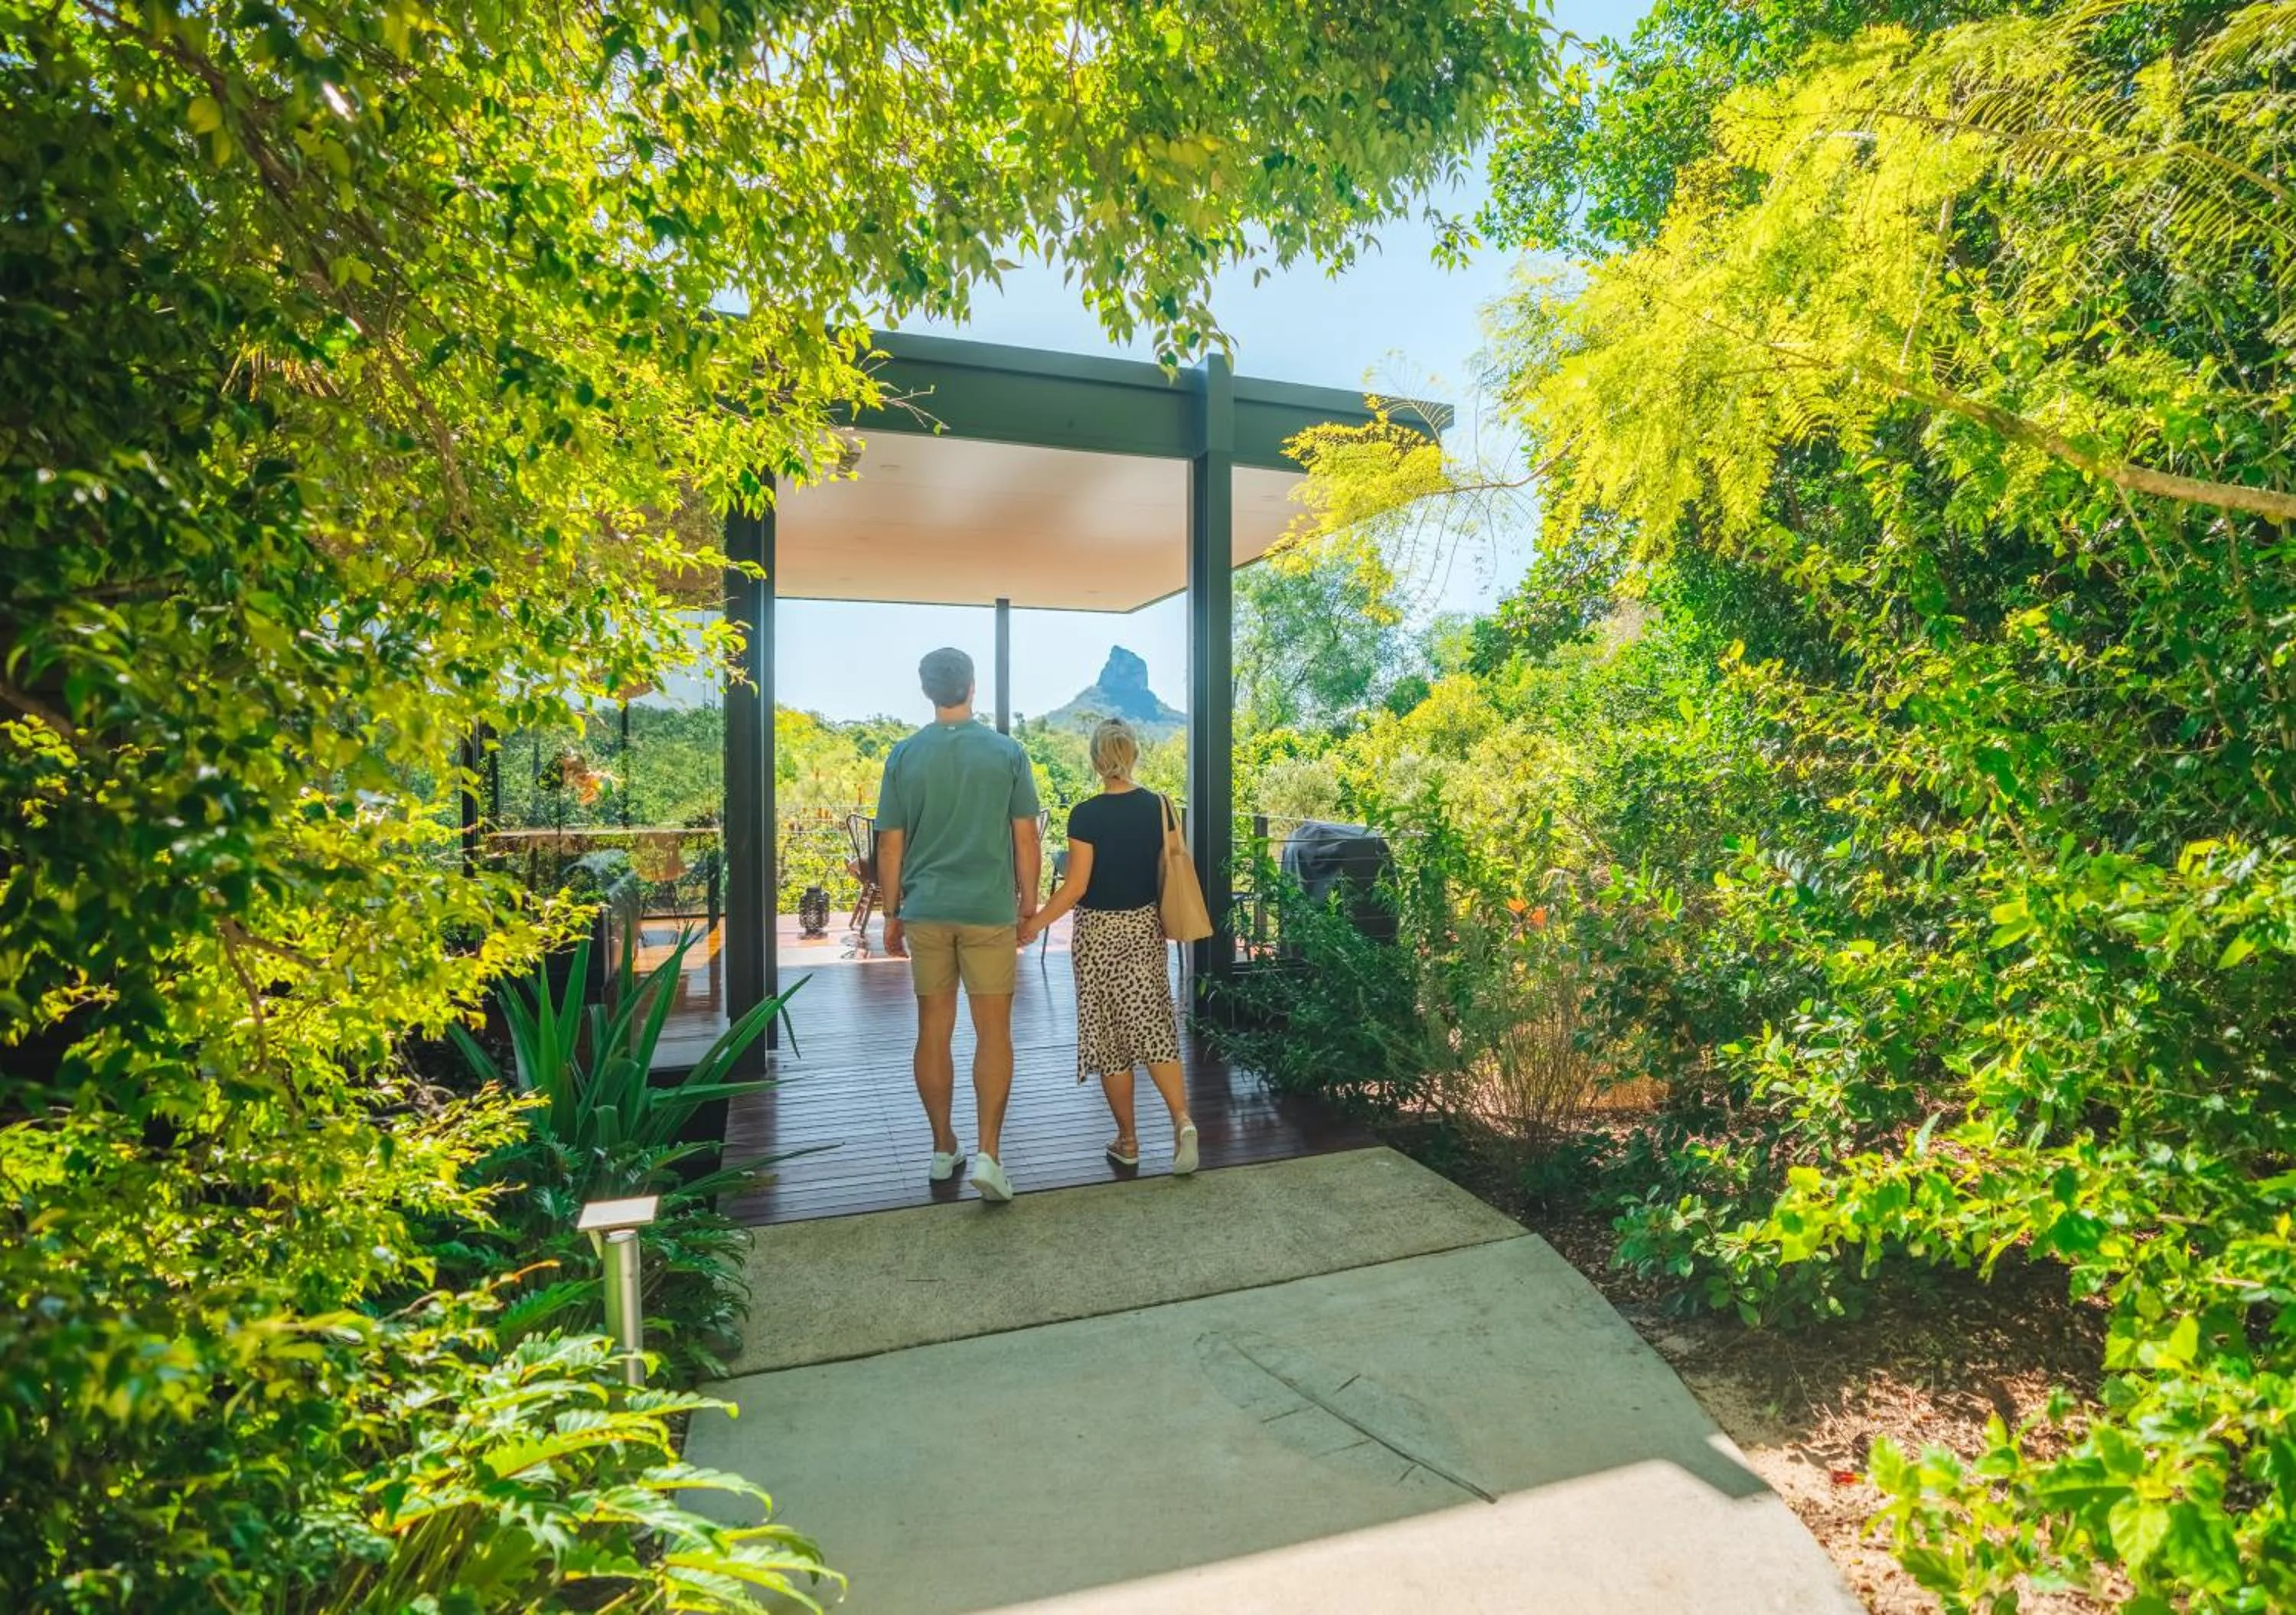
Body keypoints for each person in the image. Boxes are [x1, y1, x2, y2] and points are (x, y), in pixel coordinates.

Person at [875, 648, 1042, 1203]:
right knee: (994, 1032)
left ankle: (943, 1146)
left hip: (926, 911)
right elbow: (1026, 838)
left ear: (927, 691)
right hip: (988, 911)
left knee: (933, 1030)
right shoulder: (1007, 752)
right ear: (972, 687)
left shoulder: (904, 755)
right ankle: (990, 1154)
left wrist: (891, 913)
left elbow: (890, 845)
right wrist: (1028, 906)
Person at [1019, 719, 1196, 1176]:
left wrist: (1034, 923)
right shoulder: (1161, 807)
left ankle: (1128, 1141)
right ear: (1133, 754)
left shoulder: (1086, 815)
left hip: (1098, 935)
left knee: (1110, 1039)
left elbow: (1077, 887)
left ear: (1097, 759)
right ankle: (1181, 1121)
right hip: (1144, 928)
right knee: (1155, 1027)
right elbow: (1168, 868)